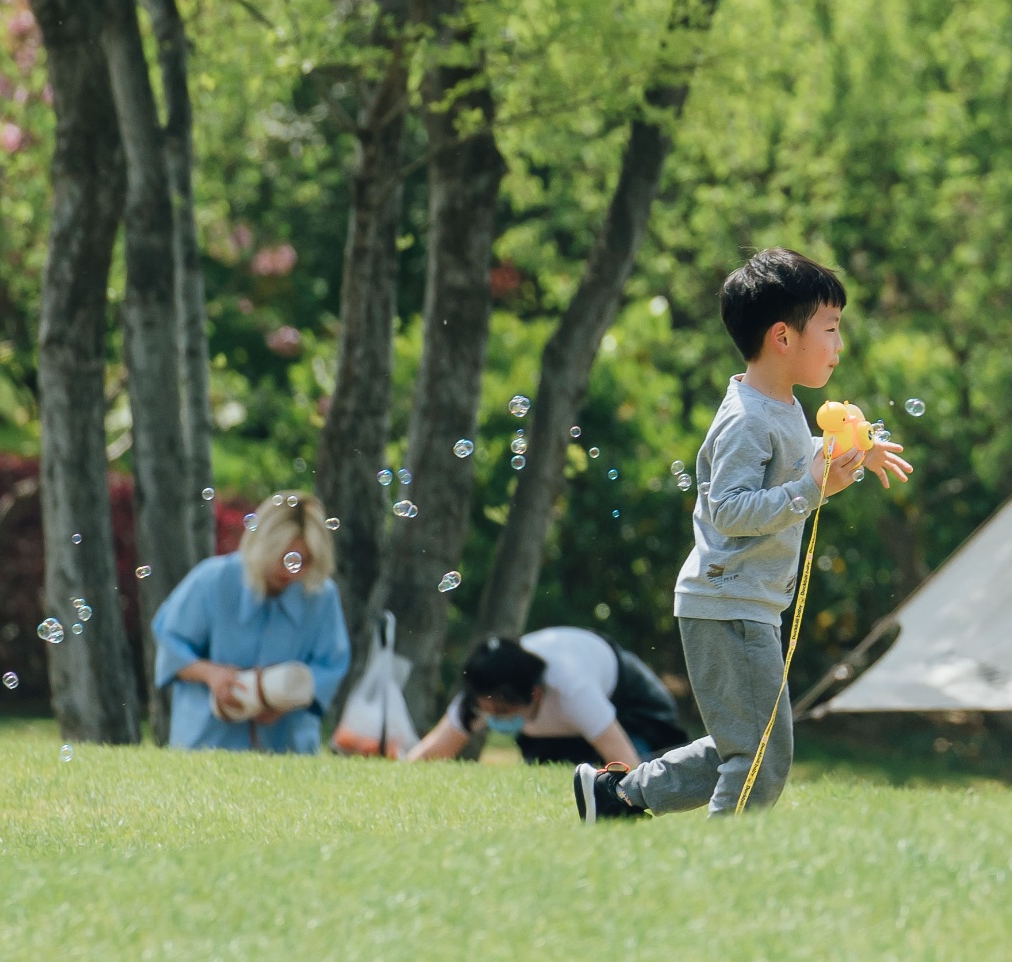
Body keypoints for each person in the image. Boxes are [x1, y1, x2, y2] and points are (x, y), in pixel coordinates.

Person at [577, 248, 908, 821]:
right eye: (830, 329)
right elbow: (730, 509)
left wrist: (849, 449)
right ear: (783, 336)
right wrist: (812, 488)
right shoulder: (747, 418)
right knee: (761, 758)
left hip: (745, 603)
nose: (839, 345)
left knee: (748, 748)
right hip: (727, 603)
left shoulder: (780, 408)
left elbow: (788, 466)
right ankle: (722, 866)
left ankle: (618, 797)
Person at [151, 491, 351, 753]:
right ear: (264, 545)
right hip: (207, 742)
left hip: (288, 747)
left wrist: (286, 699)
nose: (291, 570)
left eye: (305, 561)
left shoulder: (320, 596)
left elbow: (332, 664)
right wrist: (212, 674)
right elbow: (170, 642)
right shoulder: (214, 580)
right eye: (283, 556)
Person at [406, 628, 692, 771]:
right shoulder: (485, 691)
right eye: (486, 709)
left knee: (647, 765)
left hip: (632, 706)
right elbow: (429, 754)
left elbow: (626, 762)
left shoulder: (574, 690)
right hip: (559, 735)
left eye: (503, 711)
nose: (493, 718)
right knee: (560, 770)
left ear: (535, 694)